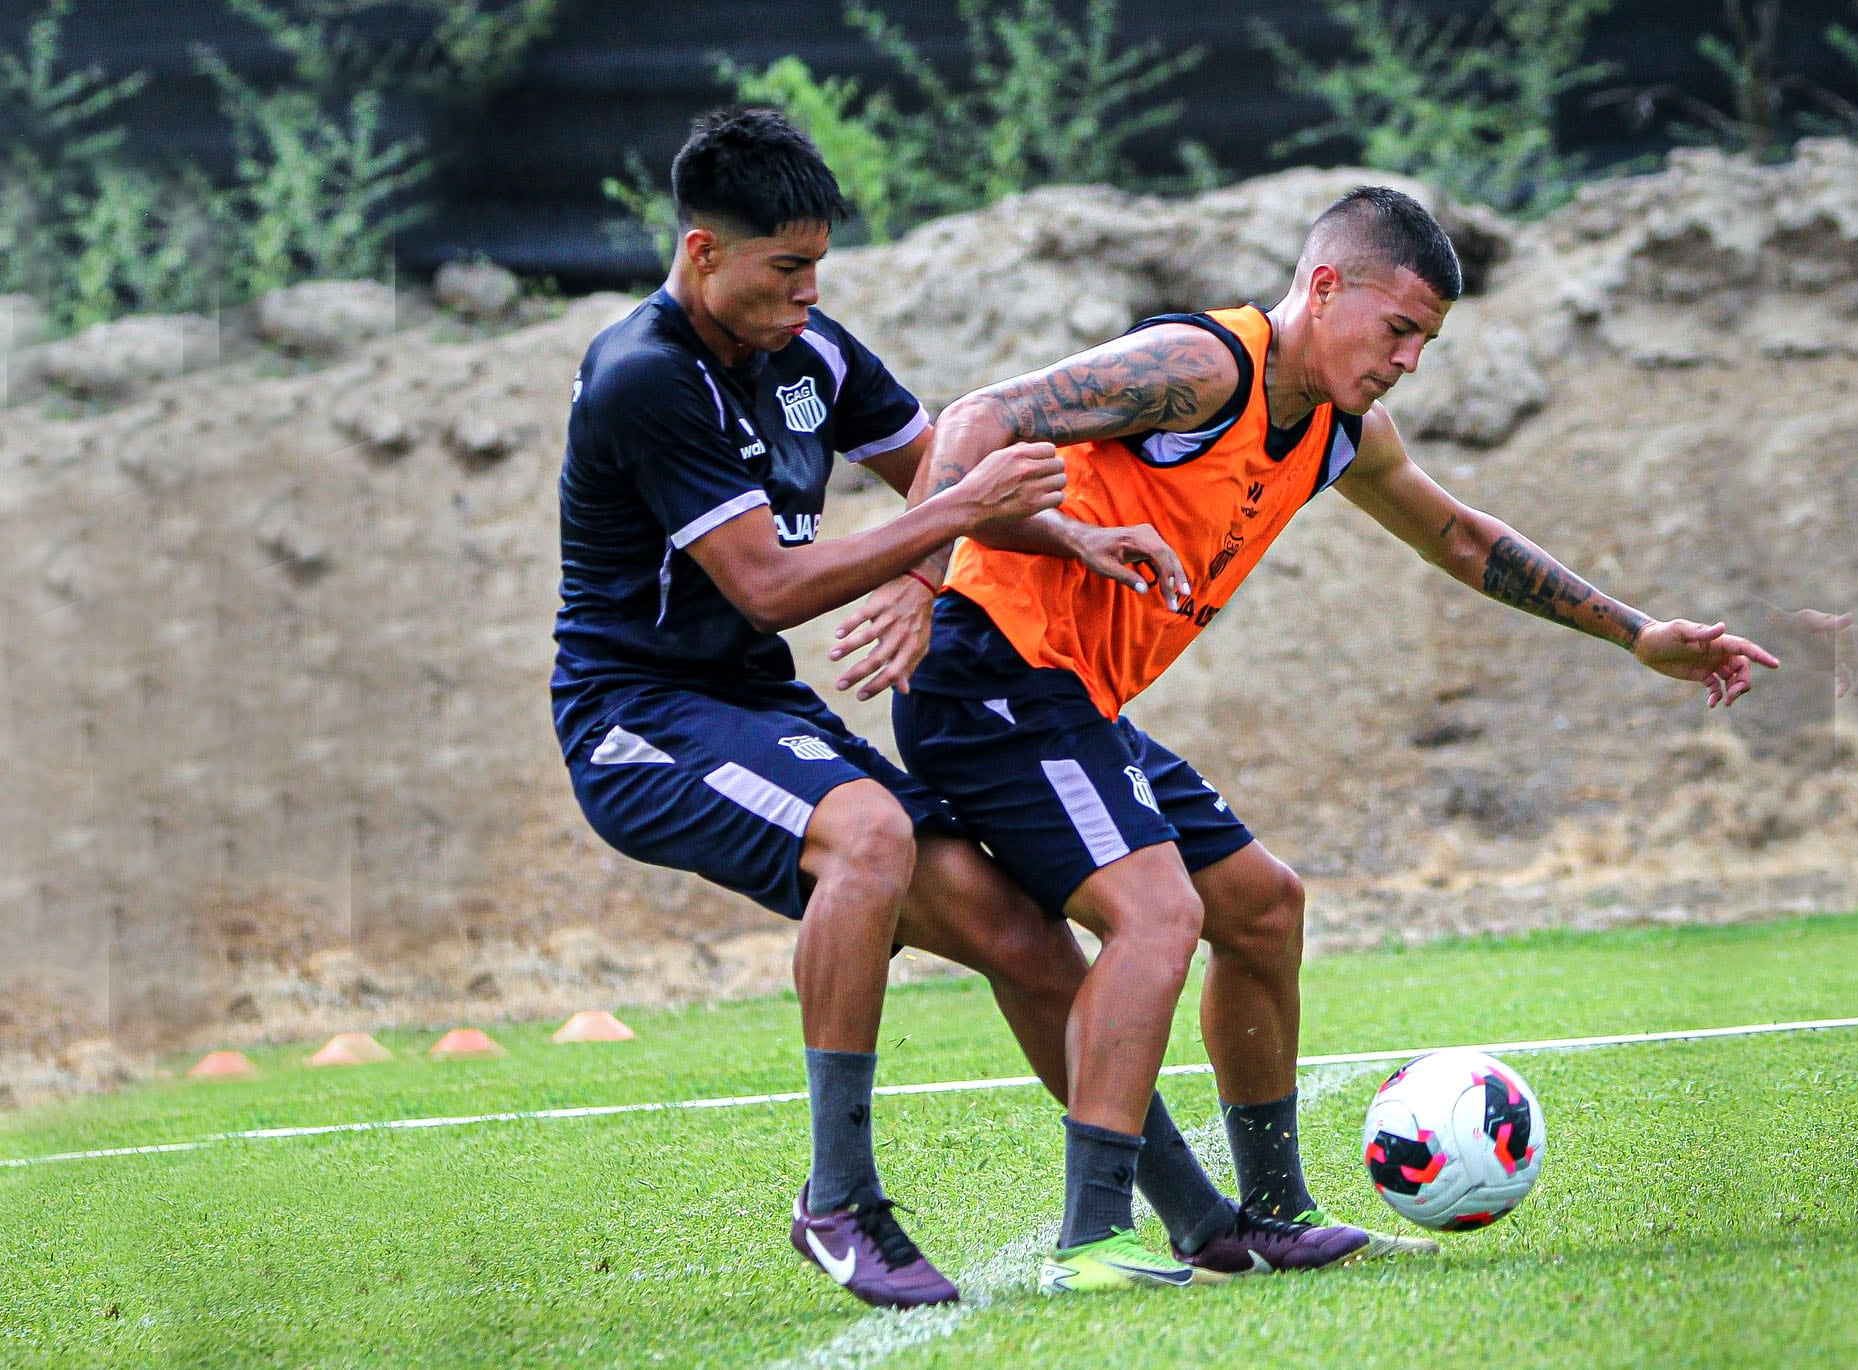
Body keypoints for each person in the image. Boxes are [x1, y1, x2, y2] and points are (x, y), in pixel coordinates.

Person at [864, 186, 1780, 1293]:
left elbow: (1456, 533)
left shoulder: (1340, 428)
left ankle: (1266, 1211)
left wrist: (1636, 634)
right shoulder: (1200, 368)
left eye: (1426, 341)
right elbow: (974, 416)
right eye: (1397, 329)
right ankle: (1093, 1237)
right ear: (1326, 285)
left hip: (1074, 697)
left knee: (1262, 905)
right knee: (1157, 912)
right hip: (992, 673)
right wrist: (916, 574)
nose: (1406, 359)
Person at [551, 107, 1159, 1310]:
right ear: (701, 253)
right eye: (784, 267)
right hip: (638, 716)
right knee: (866, 833)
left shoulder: (813, 352)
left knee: (1022, 933)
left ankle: (1181, 1217)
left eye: (818, 264)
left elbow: (932, 472)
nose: (807, 290)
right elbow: (773, 586)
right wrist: (945, 523)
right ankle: (838, 1200)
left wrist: (1074, 534)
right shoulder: (643, 379)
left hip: (751, 707)